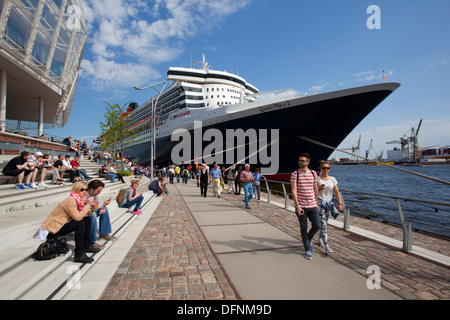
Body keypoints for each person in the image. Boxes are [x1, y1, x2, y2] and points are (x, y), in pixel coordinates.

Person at [41, 182, 100, 263]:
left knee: (87, 220)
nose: (84, 191)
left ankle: (87, 245)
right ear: (76, 190)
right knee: (80, 224)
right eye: (81, 189)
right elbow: (78, 217)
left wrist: (91, 208)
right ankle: (79, 253)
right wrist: (87, 205)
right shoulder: (71, 200)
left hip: (64, 223)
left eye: (86, 190)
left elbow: (84, 214)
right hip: (55, 227)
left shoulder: (79, 200)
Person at [290, 153, 320, 260]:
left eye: (302, 161)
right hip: (301, 206)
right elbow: (293, 191)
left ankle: (308, 239)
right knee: (304, 227)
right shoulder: (295, 174)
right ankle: (307, 248)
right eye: (299, 160)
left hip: (312, 205)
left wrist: (316, 203)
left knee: (317, 226)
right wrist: (297, 205)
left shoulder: (313, 173)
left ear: (308, 162)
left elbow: (315, 189)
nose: (300, 162)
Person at [317, 161, 342, 254]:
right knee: (323, 224)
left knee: (325, 223)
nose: (326, 170)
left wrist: (340, 203)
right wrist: (319, 189)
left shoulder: (332, 179)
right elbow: (313, 191)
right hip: (320, 203)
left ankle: (320, 238)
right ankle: (326, 245)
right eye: (324, 168)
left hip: (329, 204)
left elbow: (336, 191)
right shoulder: (317, 179)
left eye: (327, 168)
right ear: (321, 169)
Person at [86, 180, 116, 250]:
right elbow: (88, 208)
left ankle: (104, 233)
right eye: (98, 191)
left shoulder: (95, 194)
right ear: (91, 189)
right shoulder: (85, 194)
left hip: (91, 211)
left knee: (105, 210)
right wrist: (102, 204)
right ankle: (92, 241)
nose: (99, 193)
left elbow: (99, 203)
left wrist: (103, 206)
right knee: (92, 215)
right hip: (84, 213)